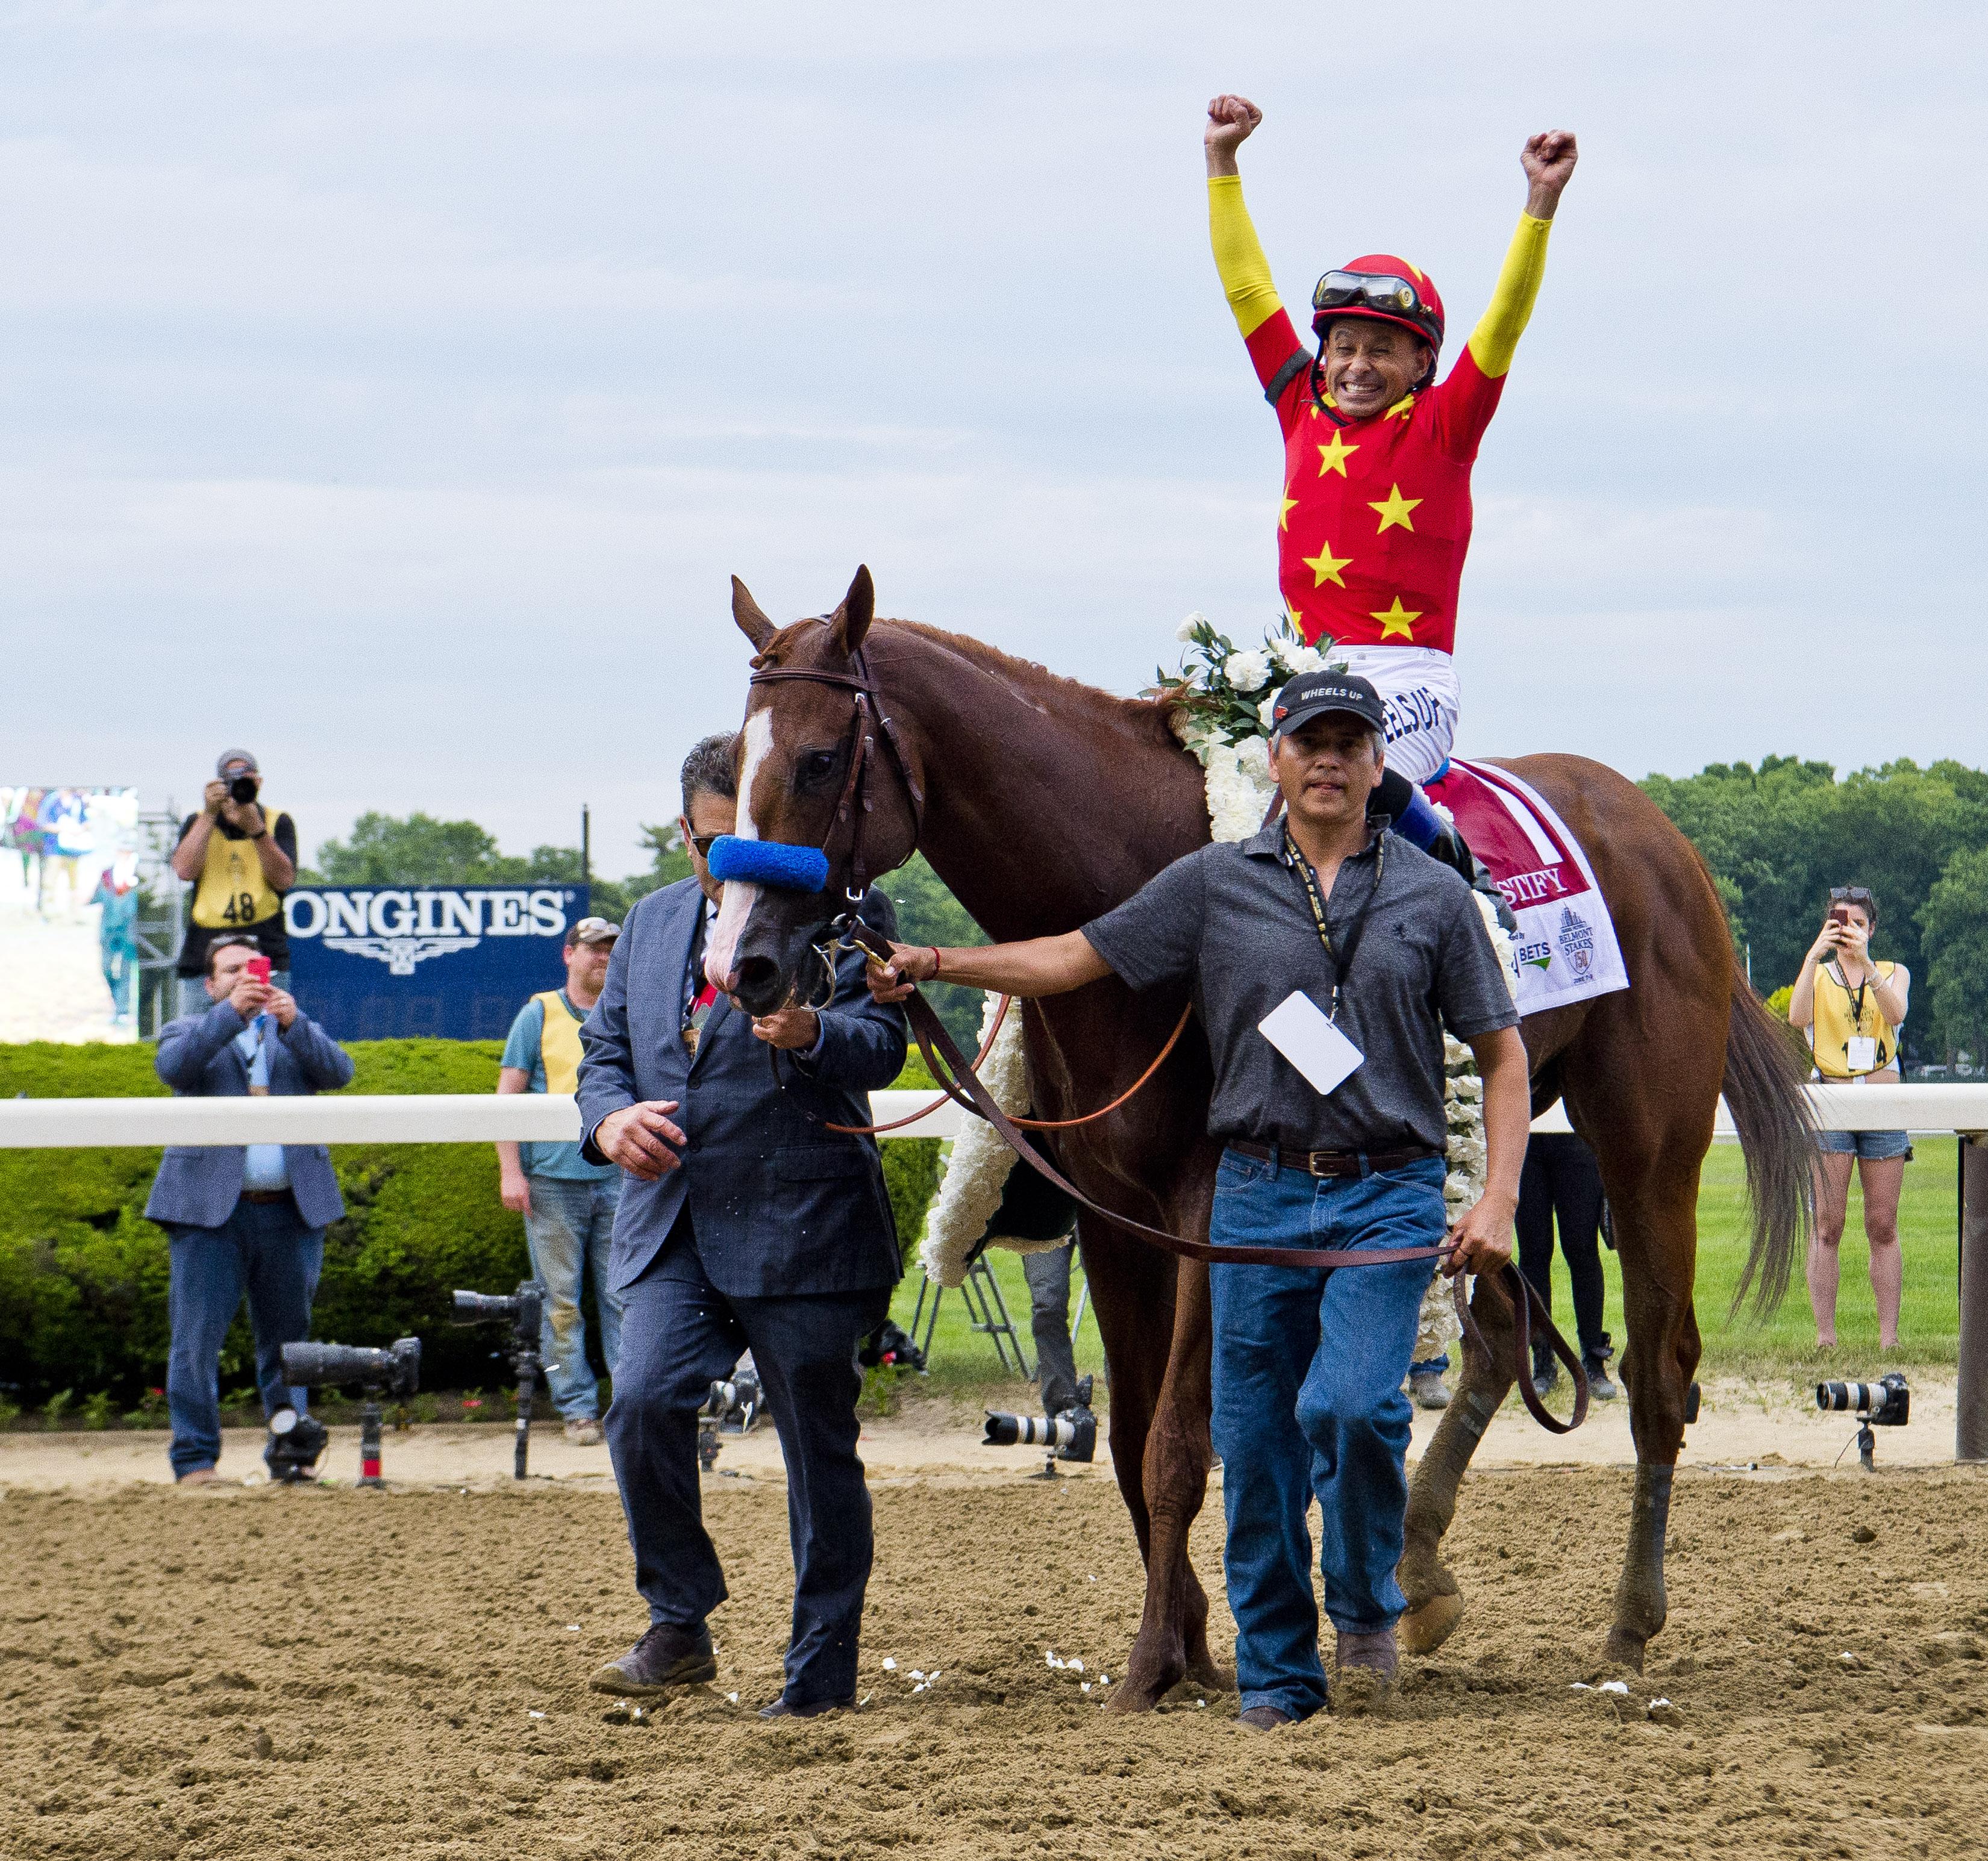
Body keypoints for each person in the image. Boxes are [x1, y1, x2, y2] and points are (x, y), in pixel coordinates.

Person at [868, 670, 1529, 1726]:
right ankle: (1276, 1673)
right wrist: (937, 960)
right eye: (1309, 740)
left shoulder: (1435, 896)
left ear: (1376, 764)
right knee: (1256, 1442)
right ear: (1275, 758)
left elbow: (1502, 1057)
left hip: (1386, 1196)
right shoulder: (1215, 884)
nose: (1327, 759)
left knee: (1350, 1407)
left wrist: (1494, 1199)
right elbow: (1073, 958)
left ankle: (1362, 1600)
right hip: (1256, 1196)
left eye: (1349, 742)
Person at [578, 732, 910, 1718]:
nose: (737, 866)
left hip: (803, 1226)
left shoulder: (848, 914)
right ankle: (679, 1624)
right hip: (673, 1226)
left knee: (818, 1454)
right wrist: (606, 1118)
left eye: (754, 842)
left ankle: (819, 1675)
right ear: (685, 834)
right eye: (718, 848)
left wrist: (815, 1036)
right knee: (641, 1405)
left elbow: (884, 1048)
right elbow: (606, 1051)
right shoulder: (646, 925)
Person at [1202, 95, 1577, 877]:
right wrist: (1223, 163)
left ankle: (1458, 881)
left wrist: (1540, 204)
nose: (1356, 364)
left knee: (1348, 772)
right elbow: (1247, 289)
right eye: (1342, 346)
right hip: (1305, 674)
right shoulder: (1299, 403)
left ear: (1421, 368)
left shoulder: (1446, 424)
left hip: (1412, 683)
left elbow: (1504, 321)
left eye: (1381, 349)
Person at [145, 931, 354, 1484]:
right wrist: (230, 1019)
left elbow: (339, 1073)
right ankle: (195, 1461)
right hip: (207, 1215)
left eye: (252, 968)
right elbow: (175, 1070)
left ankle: (291, 1455)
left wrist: (295, 1024)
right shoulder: (190, 1027)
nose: (244, 978)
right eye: (231, 970)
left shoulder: (292, 1030)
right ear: (210, 985)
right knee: (196, 1342)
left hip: (290, 1212)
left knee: (291, 1346)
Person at [496, 914, 627, 1445]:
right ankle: (577, 1409)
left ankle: (634, 1404)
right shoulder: (539, 1013)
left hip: (621, 1178)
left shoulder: (626, 1010)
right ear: (568, 954)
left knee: (627, 1295)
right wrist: (511, 1171)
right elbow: (506, 1099)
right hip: (552, 1180)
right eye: (594, 948)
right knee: (560, 1301)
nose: (603, 958)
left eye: (610, 950)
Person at [1790, 886, 1912, 1350]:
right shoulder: (1819, 975)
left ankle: (1889, 1337)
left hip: (1882, 1102)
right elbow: (1797, 1017)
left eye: (1860, 925)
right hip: (1832, 1102)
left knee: (1882, 1224)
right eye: (1843, 925)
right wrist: (1812, 956)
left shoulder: (1893, 972)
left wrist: (1866, 968)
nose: (1851, 933)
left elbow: (1896, 1012)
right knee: (1828, 1224)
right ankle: (1826, 1338)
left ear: (1872, 928)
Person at [170, 750, 297, 1020]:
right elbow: (184, 870)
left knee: (265, 1032)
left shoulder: (277, 821)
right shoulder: (198, 821)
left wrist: (257, 830)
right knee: (196, 1037)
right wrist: (209, 815)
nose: (239, 788)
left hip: (263, 944)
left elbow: (284, 879)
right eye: (231, 781)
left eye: (245, 780)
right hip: (204, 948)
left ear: (259, 783)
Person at [1515, 1132, 1618, 1400]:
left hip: (1577, 1135)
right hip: (1523, 1136)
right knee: (1533, 1253)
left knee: (1582, 1250)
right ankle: (1543, 1360)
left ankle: (1593, 1360)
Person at [92, 855, 140, 1025]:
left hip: (129, 932)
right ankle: (118, 1003)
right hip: (108, 930)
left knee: (126, 972)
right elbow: (96, 897)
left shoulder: (139, 873)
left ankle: (122, 1011)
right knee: (106, 969)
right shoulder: (107, 873)